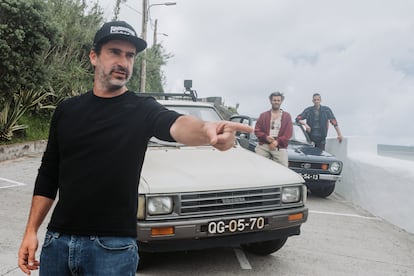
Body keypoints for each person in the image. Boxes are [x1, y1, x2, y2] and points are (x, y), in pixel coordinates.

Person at [17, 21, 252, 276]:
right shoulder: (67, 111)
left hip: (112, 249)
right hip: (58, 242)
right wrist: (31, 231)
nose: (124, 62)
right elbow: (49, 175)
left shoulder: (142, 109)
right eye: (115, 52)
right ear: (94, 56)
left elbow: (175, 124)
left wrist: (207, 131)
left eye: (130, 55)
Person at [254, 91, 293, 167]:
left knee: (284, 168)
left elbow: (288, 133)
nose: (276, 102)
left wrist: (277, 142)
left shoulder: (287, 116)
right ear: (271, 101)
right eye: (274, 100)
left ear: (281, 101)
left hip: (279, 146)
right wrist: (265, 137)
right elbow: (257, 130)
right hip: (264, 145)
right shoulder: (263, 115)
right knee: (257, 165)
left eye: (278, 100)